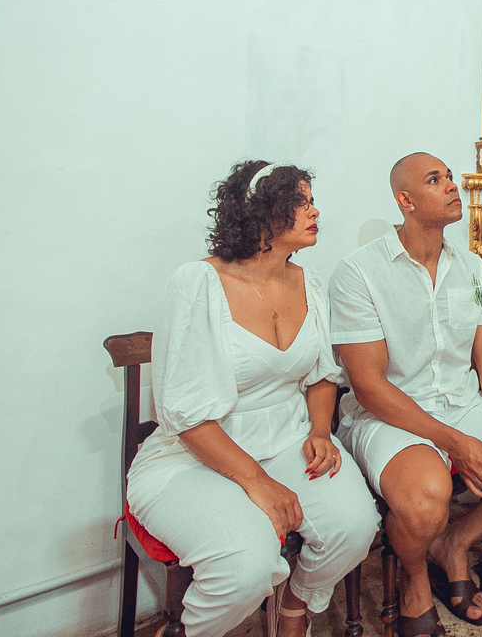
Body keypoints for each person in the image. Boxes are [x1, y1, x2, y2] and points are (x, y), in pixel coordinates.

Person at [329, 153, 482, 637]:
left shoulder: (471, 267)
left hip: (463, 402)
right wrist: (455, 444)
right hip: (389, 414)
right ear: (405, 201)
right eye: (434, 179)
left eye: (449, 176)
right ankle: (416, 577)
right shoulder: (358, 273)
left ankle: (455, 542)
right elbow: (369, 385)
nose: (451, 185)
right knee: (428, 496)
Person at [126, 161, 379, 637]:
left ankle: (295, 605)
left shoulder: (311, 283)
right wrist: (257, 482)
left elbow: (323, 374)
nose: (314, 210)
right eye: (300, 201)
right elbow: (182, 411)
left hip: (288, 436)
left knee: (354, 526)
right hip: (197, 452)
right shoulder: (196, 284)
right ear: (260, 213)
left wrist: (321, 431)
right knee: (247, 564)